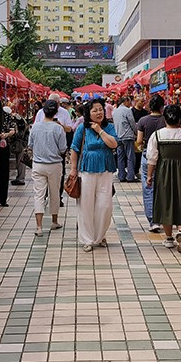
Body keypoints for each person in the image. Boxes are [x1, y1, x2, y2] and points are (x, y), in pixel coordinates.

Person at [146, 104, 181, 253]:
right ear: (180, 119)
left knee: (165, 202)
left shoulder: (157, 135)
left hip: (163, 172)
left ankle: (169, 238)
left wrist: (149, 176)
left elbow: (152, 159)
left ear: (165, 118)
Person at [69, 98, 118, 252]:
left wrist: (100, 131)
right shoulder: (82, 129)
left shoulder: (109, 127)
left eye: (101, 109)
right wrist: (73, 169)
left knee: (105, 205)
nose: (98, 112)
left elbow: (114, 144)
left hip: (106, 169)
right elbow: (74, 148)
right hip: (86, 170)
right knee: (86, 204)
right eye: (95, 110)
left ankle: (100, 235)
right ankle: (87, 239)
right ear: (88, 113)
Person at [30, 100, 68, 236]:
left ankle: (39, 226)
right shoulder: (58, 128)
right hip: (54, 165)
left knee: (39, 195)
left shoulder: (35, 127)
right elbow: (63, 148)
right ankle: (54, 221)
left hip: (38, 164)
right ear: (55, 112)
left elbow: (30, 145)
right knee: (54, 193)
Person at [34, 93, 74, 206]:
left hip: (57, 150)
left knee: (59, 175)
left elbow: (69, 129)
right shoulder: (41, 112)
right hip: (42, 149)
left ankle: (57, 197)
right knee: (43, 178)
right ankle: (45, 196)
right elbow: (35, 128)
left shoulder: (64, 112)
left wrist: (60, 126)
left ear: (59, 103)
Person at [136, 95, 166, 233]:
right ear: (162, 107)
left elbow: (139, 140)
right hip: (164, 156)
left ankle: (153, 221)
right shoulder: (165, 120)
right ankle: (163, 217)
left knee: (148, 188)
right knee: (163, 187)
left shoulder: (143, 120)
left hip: (147, 155)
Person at [0, 102, 16, 207]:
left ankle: (2, 198)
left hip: (3, 146)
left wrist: (6, 135)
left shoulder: (6, 116)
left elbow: (13, 130)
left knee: (3, 172)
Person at [113, 96, 137, 183]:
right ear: (125, 101)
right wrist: (136, 132)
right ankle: (130, 176)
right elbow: (132, 123)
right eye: (129, 101)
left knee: (120, 157)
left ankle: (121, 175)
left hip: (118, 136)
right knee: (130, 157)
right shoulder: (127, 110)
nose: (130, 103)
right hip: (128, 136)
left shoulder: (115, 111)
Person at [9, 107, 29, 187]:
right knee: (20, 161)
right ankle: (20, 178)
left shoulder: (18, 121)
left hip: (20, 143)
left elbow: (20, 133)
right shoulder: (20, 120)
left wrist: (13, 134)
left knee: (20, 161)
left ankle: (20, 178)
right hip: (22, 143)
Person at [131, 96, 149, 178]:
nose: (143, 103)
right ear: (136, 101)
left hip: (143, 137)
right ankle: (132, 170)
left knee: (139, 155)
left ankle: (136, 170)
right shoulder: (131, 112)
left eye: (143, 101)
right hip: (134, 136)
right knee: (133, 155)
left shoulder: (145, 112)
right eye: (141, 101)